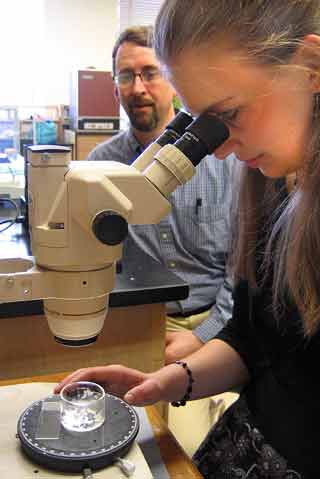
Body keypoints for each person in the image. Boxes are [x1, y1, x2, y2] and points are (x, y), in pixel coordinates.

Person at [56, 1, 320, 476]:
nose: (216, 151)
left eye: (229, 114)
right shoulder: (271, 182)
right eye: (200, 124)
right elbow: (252, 343)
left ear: (311, 69)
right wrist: (165, 383)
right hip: (248, 444)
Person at [87, 25, 236, 364]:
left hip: (218, 320)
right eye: (126, 76)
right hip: (136, 321)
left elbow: (242, 269)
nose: (138, 88)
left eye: (150, 73)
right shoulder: (98, 167)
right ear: (115, 89)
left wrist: (203, 335)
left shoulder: (226, 161)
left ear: (174, 81)